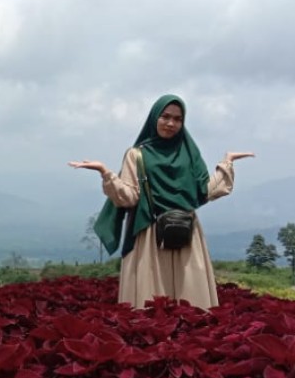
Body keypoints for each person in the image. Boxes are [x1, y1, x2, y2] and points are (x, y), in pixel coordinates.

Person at [68, 94, 254, 309]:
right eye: (165, 117)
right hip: (150, 232)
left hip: (186, 231)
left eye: (177, 119)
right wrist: (105, 173)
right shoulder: (137, 155)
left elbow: (205, 191)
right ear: (154, 117)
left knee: (192, 299)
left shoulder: (189, 154)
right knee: (150, 300)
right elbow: (130, 196)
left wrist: (227, 162)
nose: (171, 123)